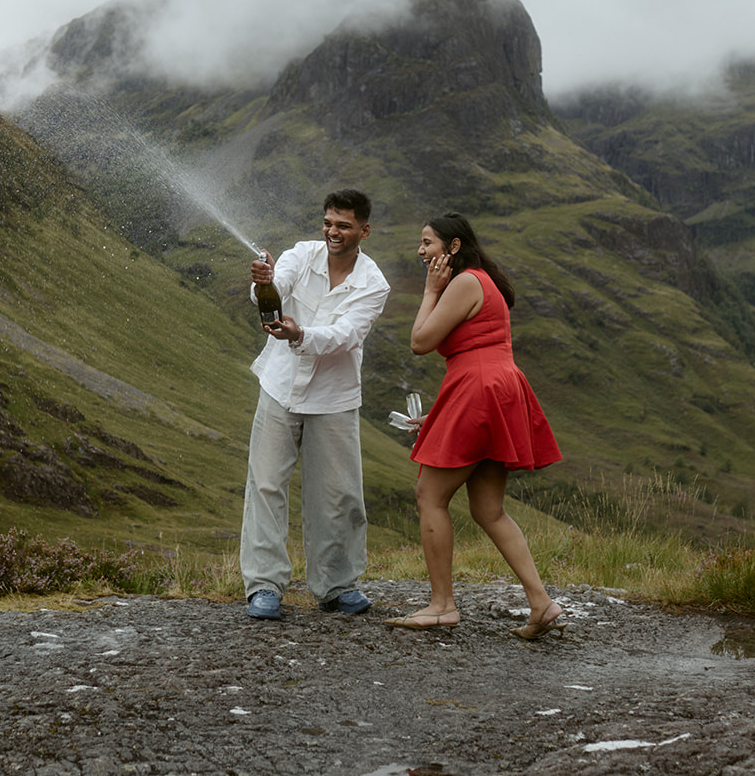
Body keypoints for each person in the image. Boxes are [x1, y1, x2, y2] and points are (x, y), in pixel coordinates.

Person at [388, 211, 564, 638]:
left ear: (452, 247)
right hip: (496, 389)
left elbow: (420, 342)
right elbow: (479, 353)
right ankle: (541, 603)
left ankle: (442, 605)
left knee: (429, 495)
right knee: (489, 509)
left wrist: (430, 291)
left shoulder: (466, 282)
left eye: (427, 242)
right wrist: (441, 416)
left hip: (479, 388)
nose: (420, 250)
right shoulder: (483, 283)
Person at [241, 189, 391, 620]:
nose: (333, 232)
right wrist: (263, 283)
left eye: (343, 226)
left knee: (338, 494)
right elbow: (270, 292)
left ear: (364, 230)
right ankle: (264, 586)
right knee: (266, 484)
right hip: (279, 385)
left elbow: (348, 334)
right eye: (328, 223)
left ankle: (336, 586)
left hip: (334, 398)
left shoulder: (374, 283)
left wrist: (300, 335)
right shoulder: (300, 254)